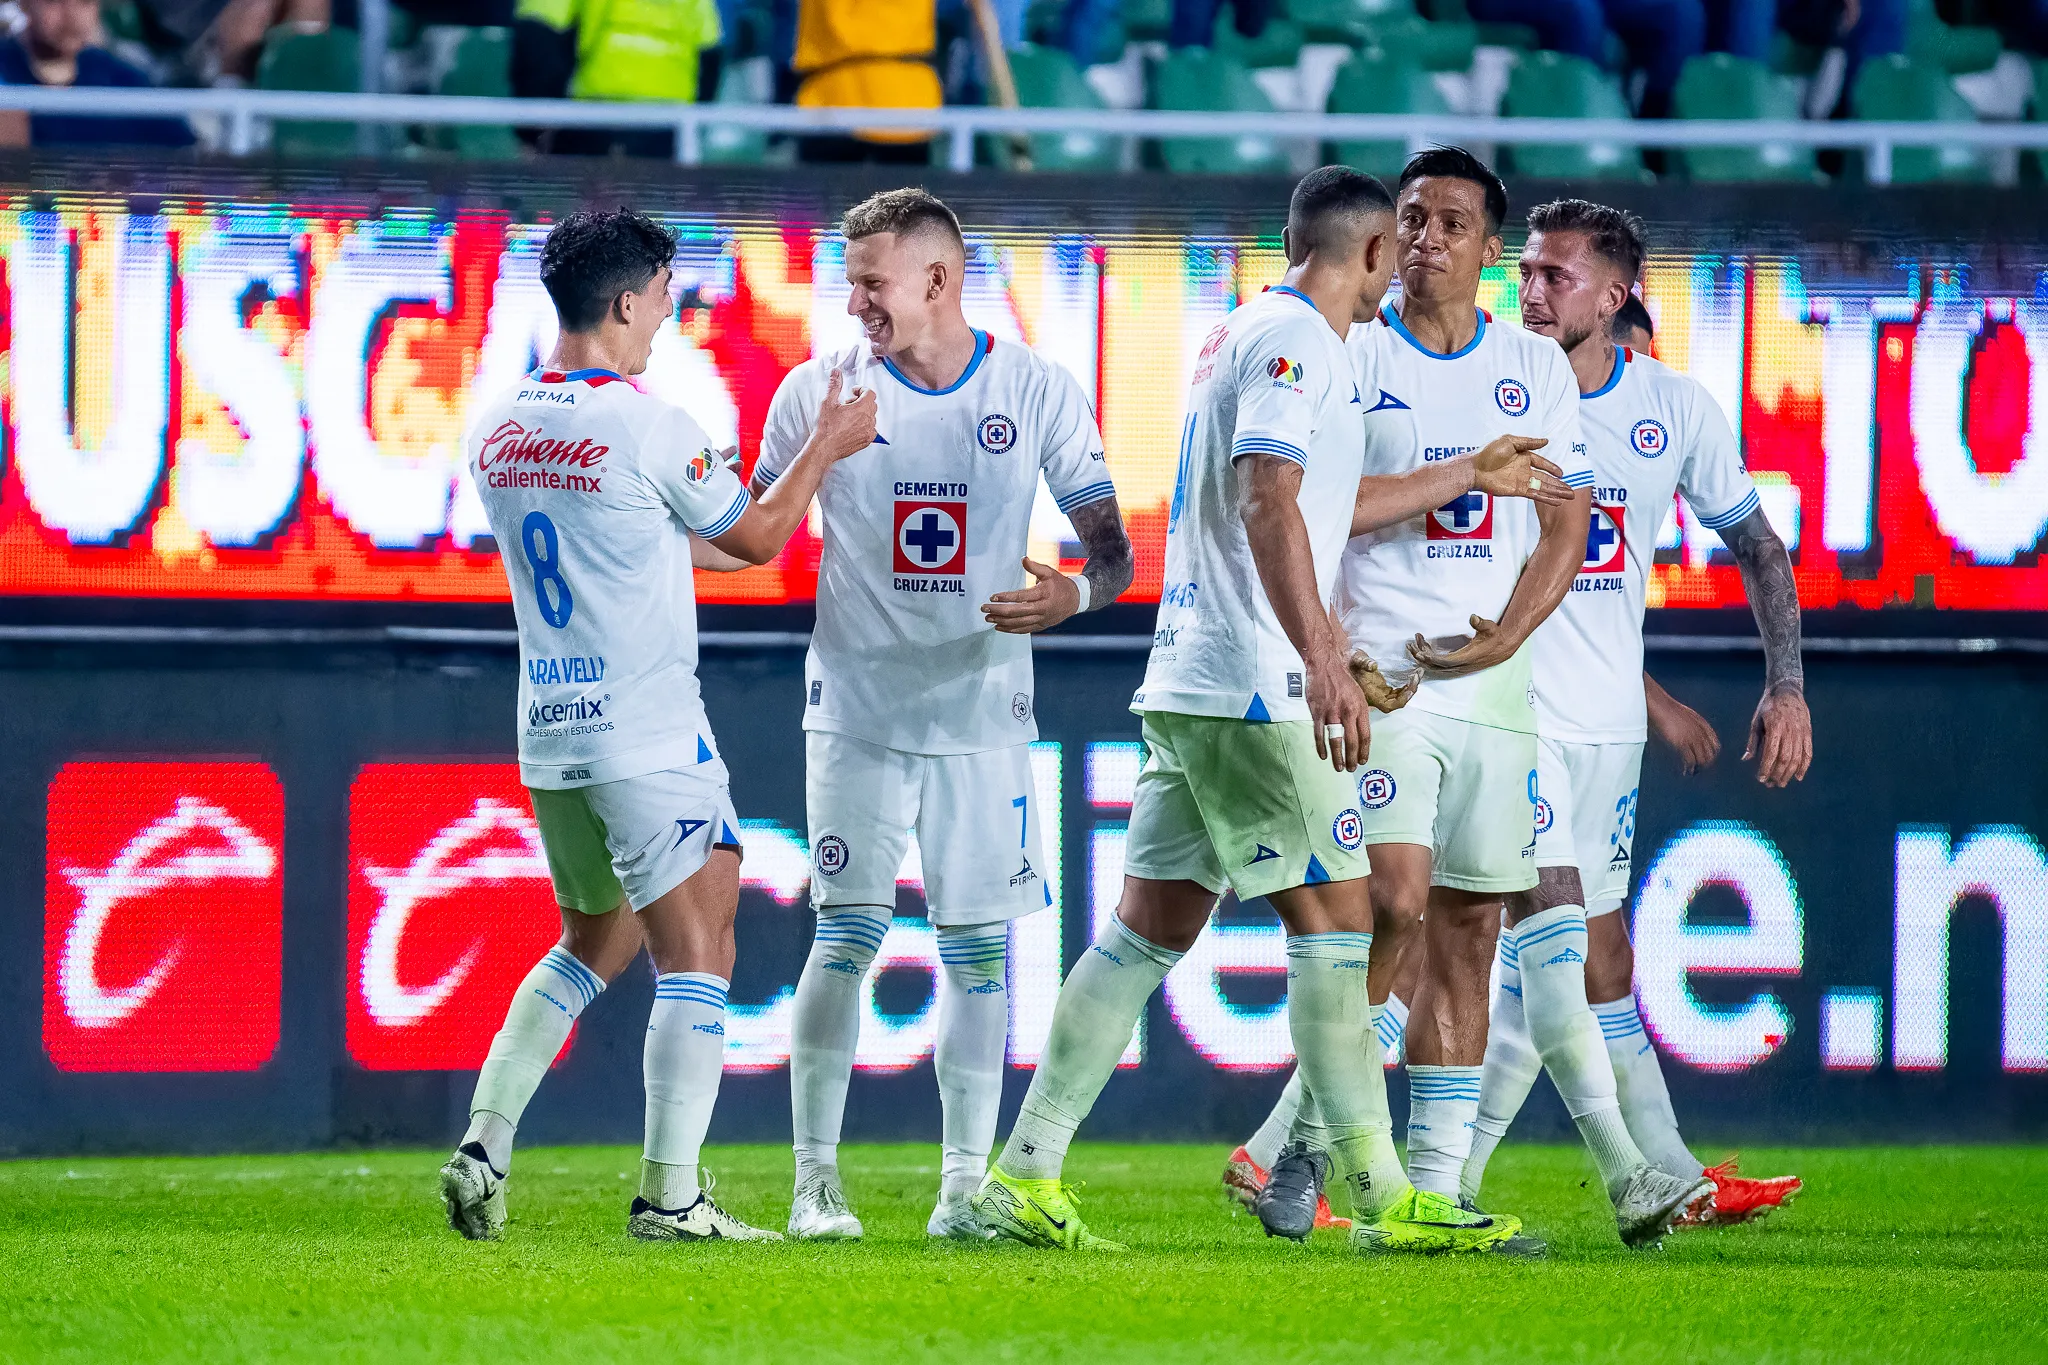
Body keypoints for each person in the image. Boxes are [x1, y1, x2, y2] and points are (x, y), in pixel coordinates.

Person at [974, 166, 1538, 1257]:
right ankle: (1383, 1197)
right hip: (1253, 687)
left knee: (1146, 929)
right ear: (1368, 252)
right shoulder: (1300, 343)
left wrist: (1467, 470)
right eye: (1395, 249)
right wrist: (1321, 656)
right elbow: (1267, 495)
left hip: (1195, 676)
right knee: (1341, 925)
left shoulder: (1245, 331)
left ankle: (1023, 1171)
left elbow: (1316, 500)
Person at [438, 208, 879, 1244]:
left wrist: (700, 489)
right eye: (665, 300)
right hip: (647, 732)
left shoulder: (496, 424)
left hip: (552, 731)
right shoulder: (648, 424)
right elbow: (759, 539)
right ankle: (670, 1197)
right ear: (627, 301)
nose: (667, 320)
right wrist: (825, 443)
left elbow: (655, 541)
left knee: (593, 937)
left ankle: (484, 1144)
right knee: (700, 946)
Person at [752, 187, 1134, 1242]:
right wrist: (816, 452)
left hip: (982, 713)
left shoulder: (1032, 388)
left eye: (871, 284)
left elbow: (1112, 554)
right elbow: (754, 529)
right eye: (850, 285)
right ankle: (814, 1185)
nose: (855, 306)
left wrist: (1074, 597)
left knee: (975, 954)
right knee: (845, 933)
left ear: (936, 278)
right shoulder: (818, 391)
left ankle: (963, 1191)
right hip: (857, 707)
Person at [1458, 199, 1810, 1224]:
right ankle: (1635, 1176)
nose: (1529, 291)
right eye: (1524, 271)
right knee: (1547, 945)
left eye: (1554, 276)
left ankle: (1385, 1171)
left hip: (1604, 729)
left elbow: (1758, 545)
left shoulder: (1673, 408)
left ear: (1615, 296)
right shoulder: (1476, 378)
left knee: (1580, 958)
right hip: (1503, 712)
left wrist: (1785, 684)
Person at [512, 0, 723, 158]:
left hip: (592, 120)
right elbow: (710, 55)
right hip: (667, 128)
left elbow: (538, 35)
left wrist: (535, 130)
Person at [0, 0, 195, 148]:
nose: (72, 16)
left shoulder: (123, 81)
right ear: (25, 4)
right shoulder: (6, 72)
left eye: (85, 2)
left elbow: (186, 151)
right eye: (55, 1)